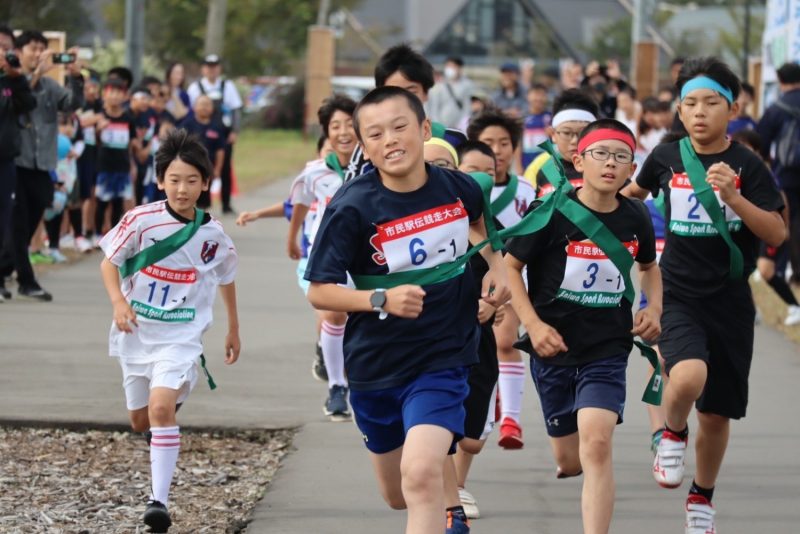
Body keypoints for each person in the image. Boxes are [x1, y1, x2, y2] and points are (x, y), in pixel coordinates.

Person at [304, 86, 509, 534]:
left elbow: (478, 221)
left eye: (400, 127)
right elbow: (319, 291)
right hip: (376, 364)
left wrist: (495, 266)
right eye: (375, 134)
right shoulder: (352, 205)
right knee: (397, 493)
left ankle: (447, 516)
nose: (390, 140)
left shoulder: (458, 186)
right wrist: (379, 299)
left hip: (444, 357)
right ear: (364, 145)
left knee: (420, 474)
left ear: (424, 128)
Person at [623, 57, 785, 534]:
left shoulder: (749, 165)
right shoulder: (667, 157)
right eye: (689, 103)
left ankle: (702, 497)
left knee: (716, 414)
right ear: (678, 108)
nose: (699, 112)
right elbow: (633, 195)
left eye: (711, 102)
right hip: (678, 291)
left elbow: (776, 228)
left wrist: (735, 199)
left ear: (731, 108)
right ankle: (671, 431)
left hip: (732, 300)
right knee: (688, 376)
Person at [506, 118, 661, 534]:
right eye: (601, 154)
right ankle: (565, 459)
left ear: (632, 167)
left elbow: (648, 267)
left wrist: (654, 307)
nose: (610, 164)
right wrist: (533, 325)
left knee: (597, 441)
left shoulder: (636, 215)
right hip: (552, 347)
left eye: (621, 157)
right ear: (579, 160)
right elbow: (509, 268)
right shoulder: (551, 211)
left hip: (607, 348)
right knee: (570, 458)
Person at [99, 128, 240, 533]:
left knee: (161, 410)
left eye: (192, 181)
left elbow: (227, 277)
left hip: (181, 336)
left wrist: (233, 329)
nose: (182, 189)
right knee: (140, 421)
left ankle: (157, 502)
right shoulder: (140, 221)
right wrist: (119, 303)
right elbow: (109, 262)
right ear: (160, 180)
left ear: (205, 184)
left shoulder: (213, 235)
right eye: (175, 180)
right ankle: (164, 419)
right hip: (136, 332)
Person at [467, 107, 537, 449]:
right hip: (469, 278)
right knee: (481, 350)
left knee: (506, 341)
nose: (496, 149)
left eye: (504, 143)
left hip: (509, 274)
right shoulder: (461, 187)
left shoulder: (525, 190)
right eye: (488, 142)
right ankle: (488, 399)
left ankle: (511, 418)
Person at [0, 30, 83, 302]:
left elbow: (73, 104)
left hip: (43, 163)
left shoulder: (50, 85)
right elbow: (21, 104)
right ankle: (27, 280)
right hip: (17, 161)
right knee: (18, 226)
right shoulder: (10, 81)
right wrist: (33, 77)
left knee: (31, 221)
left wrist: (75, 76)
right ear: (20, 52)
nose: (38, 54)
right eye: (33, 49)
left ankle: (4, 272)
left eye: (42, 49)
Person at [288, 95, 357, 421]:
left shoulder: (376, 167)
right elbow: (300, 203)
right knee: (334, 314)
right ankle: (337, 386)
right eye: (335, 126)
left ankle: (359, 377)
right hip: (327, 254)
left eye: (348, 124)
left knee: (362, 320)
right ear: (327, 133)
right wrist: (292, 238)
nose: (343, 132)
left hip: (368, 257)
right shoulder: (314, 172)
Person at [453, 140, 504, 519]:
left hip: (479, 341)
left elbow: (510, 281)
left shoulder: (496, 231)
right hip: (436, 340)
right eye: (472, 170)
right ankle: (452, 491)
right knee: (439, 417)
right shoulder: (439, 223)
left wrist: (494, 304)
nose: (482, 178)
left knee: (472, 439)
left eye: (490, 171)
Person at [344, 43, 466, 182]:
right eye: (392, 91)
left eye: (411, 92)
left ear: (426, 93)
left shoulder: (454, 138)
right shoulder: (371, 145)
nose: (401, 100)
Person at [732, 128, 800, 325]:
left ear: (757, 151)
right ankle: (752, 309)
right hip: (747, 230)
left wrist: (784, 226)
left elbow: (781, 198)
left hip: (767, 228)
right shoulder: (733, 169)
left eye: (747, 147)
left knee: (766, 270)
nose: (742, 150)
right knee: (741, 269)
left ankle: (794, 306)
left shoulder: (762, 171)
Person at [0, 26, 37, 302]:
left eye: (7, 47)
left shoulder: (11, 81)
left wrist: (16, 78)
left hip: (6, 160)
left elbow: (29, 104)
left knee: (3, 222)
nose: (4, 52)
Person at [756, 61, 800, 284]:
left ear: (781, 81)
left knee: (783, 221)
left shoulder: (776, 109)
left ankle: (779, 268)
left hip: (785, 176)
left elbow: (760, 143)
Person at [187, 54, 243, 214]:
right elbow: (190, 111)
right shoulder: (195, 87)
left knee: (225, 167)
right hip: (202, 133)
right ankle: (202, 202)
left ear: (219, 68)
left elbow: (235, 110)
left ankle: (226, 203)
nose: (212, 70)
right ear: (203, 69)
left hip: (223, 132)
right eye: (208, 66)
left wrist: (234, 131)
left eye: (215, 66)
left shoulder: (227, 85)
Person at [524, 89, 598, 198]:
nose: (574, 141)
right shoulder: (540, 166)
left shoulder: (604, 167)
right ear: (553, 134)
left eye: (582, 133)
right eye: (567, 133)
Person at [94, 78, 141, 235]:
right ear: (104, 95)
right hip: (104, 166)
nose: (114, 96)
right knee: (102, 202)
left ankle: (114, 236)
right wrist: (98, 131)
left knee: (118, 203)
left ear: (124, 96)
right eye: (111, 92)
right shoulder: (100, 117)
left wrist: (134, 156)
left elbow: (132, 143)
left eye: (118, 93)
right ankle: (96, 234)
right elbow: (94, 142)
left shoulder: (128, 119)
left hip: (123, 166)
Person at [181, 95, 225, 209]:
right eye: (202, 104)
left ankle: (202, 221)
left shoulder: (217, 126)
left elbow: (220, 150)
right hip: (189, 167)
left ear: (212, 108)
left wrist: (217, 169)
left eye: (207, 104)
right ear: (195, 107)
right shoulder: (187, 125)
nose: (204, 107)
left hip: (208, 168)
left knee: (204, 197)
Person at [427, 56, 473, 129]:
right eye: (448, 66)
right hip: (441, 126)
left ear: (460, 68)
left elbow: (467, 107)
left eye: (453, 66)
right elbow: (434, 107)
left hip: (459, 127)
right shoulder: (439, 85)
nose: (450, 69)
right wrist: (437, 125)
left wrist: (463, 125)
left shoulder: (467, 85)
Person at [521, 83, 552, 170]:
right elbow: (518, 144)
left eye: (542, 95)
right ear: (528, 96)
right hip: (527, 163)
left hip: (546, 163)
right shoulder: (522, 118)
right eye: (535, 94)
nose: (539, 98)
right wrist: (518, 167)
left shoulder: (551, 117)